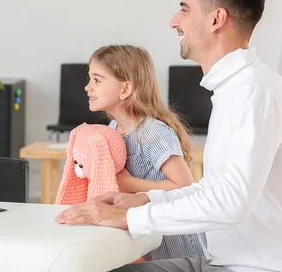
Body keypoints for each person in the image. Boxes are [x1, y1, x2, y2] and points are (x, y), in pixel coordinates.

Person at [56, 0, 282, 272]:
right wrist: (143, 202)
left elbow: (232, 202)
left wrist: (128, 219)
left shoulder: (255, 91)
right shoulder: (234, 91)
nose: (174, 20)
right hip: (224, 265)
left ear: (216, 19)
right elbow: (216, 189)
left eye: (184, 9)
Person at [84, 44, 203, 260]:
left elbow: (185, 187)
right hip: (140, 239)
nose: (88, 87)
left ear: (125, 89)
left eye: (97, 80)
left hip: (172, 246)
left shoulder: (151, 133)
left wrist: (130, 185)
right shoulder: (111, 131)